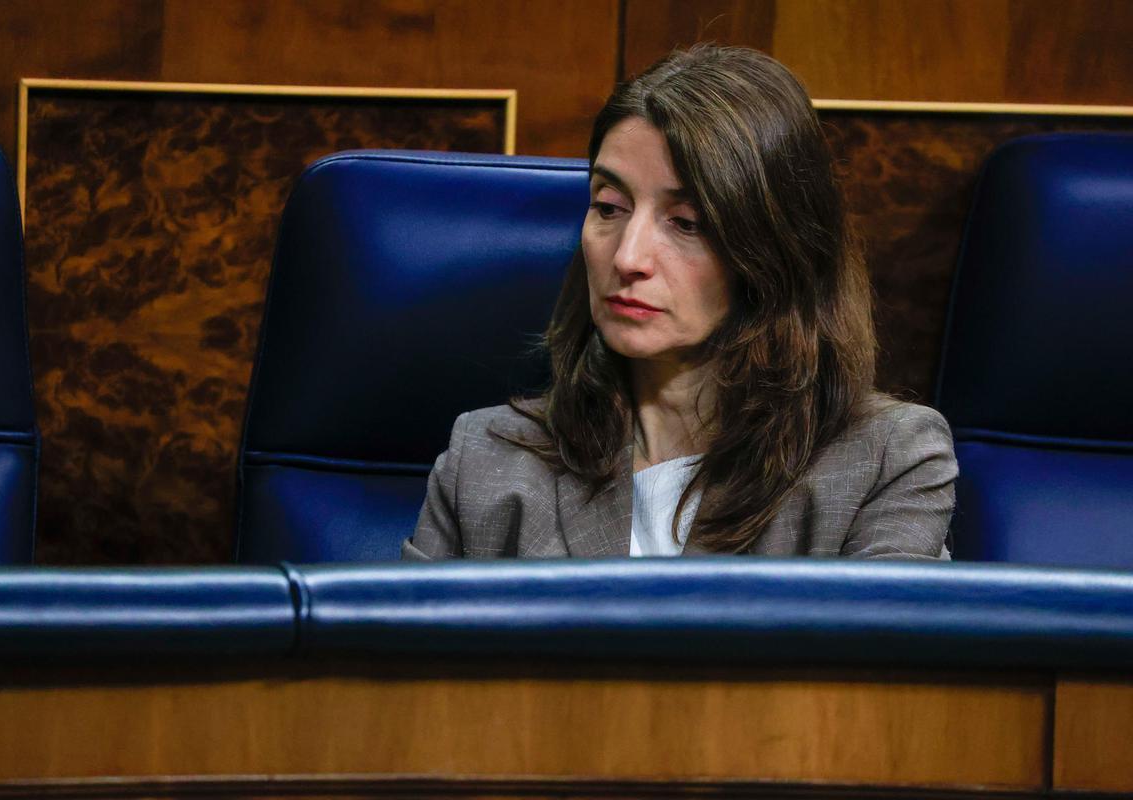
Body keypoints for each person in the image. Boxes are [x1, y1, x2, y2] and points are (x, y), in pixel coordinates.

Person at [403, 45, 956, 560]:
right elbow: (387, 663)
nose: (628, 257)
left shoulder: (886, 459)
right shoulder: (485, 460)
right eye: (609, 206)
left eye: (686, 222)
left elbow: (881, 664)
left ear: (774, 248)